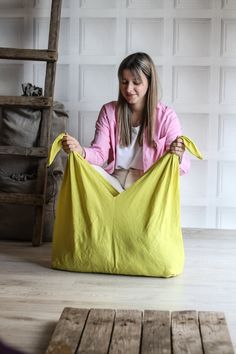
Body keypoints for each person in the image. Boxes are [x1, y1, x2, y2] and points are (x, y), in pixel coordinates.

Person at [62, 52, 190, 192]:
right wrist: (80, 150)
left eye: (136, 82)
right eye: (124, 82)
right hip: (115, 183)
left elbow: (183, 168)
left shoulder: (167, 117)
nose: (128, 89)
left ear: (149, 82)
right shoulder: (109, 111)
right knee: (85, 170)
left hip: (147, 186)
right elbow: (99, 154)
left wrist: (179, 155)